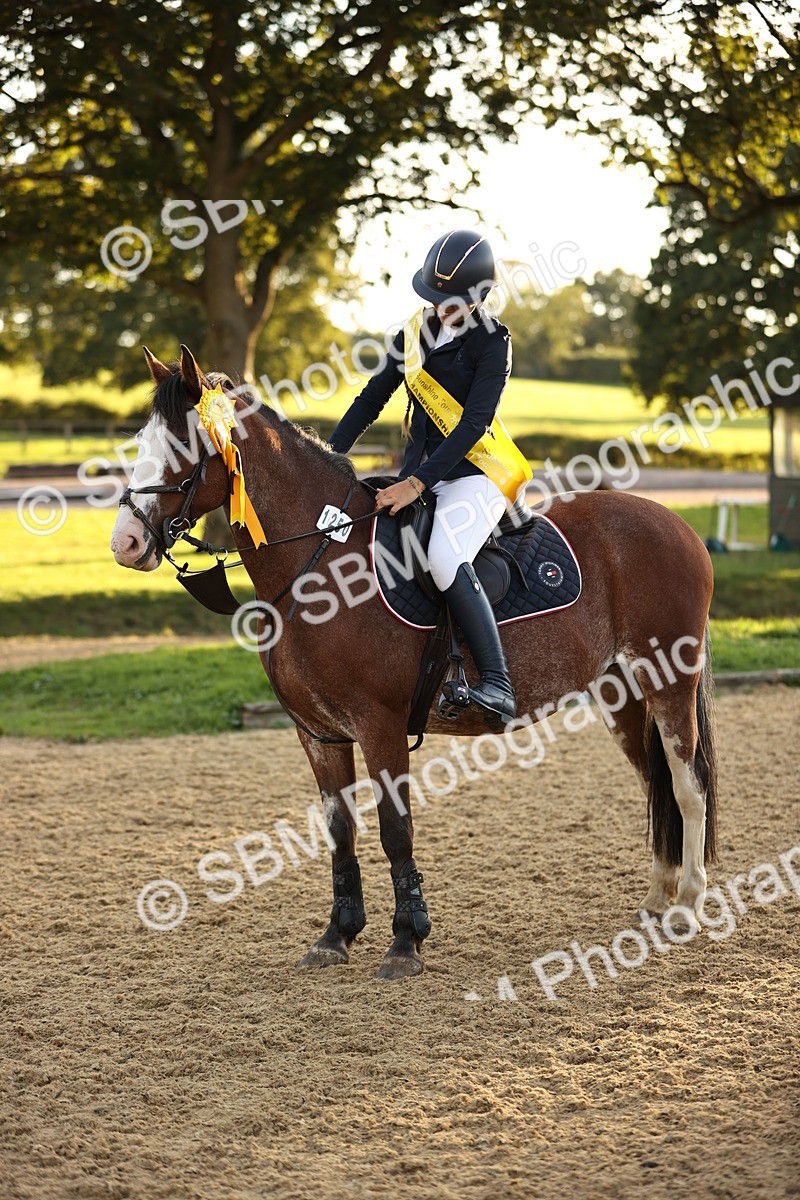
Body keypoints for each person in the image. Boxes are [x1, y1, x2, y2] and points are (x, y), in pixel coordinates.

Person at [328, 229, 530, 724]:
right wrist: (329, 458)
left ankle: (498, 684)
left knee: (442, 554)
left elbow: (473, 425)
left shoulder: (493, 343)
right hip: (418, 473)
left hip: (476, 473)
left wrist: (416, 484)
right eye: (435, 299)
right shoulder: (413, 334)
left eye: (453, 302)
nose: (441, 309)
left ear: (481, 297)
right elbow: (372, 400)